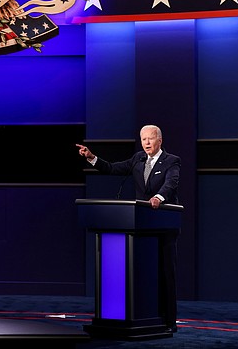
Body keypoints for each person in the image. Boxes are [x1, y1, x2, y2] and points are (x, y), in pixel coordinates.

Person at [76, 124, 181, 333]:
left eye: (150, 139)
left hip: (163, 226)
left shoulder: (172, 161)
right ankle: (143, 316)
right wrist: (91, 157)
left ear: (160, 140)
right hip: (140, 225)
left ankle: (169, 321)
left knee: (165, 273)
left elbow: (171, 183)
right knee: (141, 273)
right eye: (143, 140)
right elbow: (113, 168)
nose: (147, 143)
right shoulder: (137, 159)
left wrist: (159, 197)